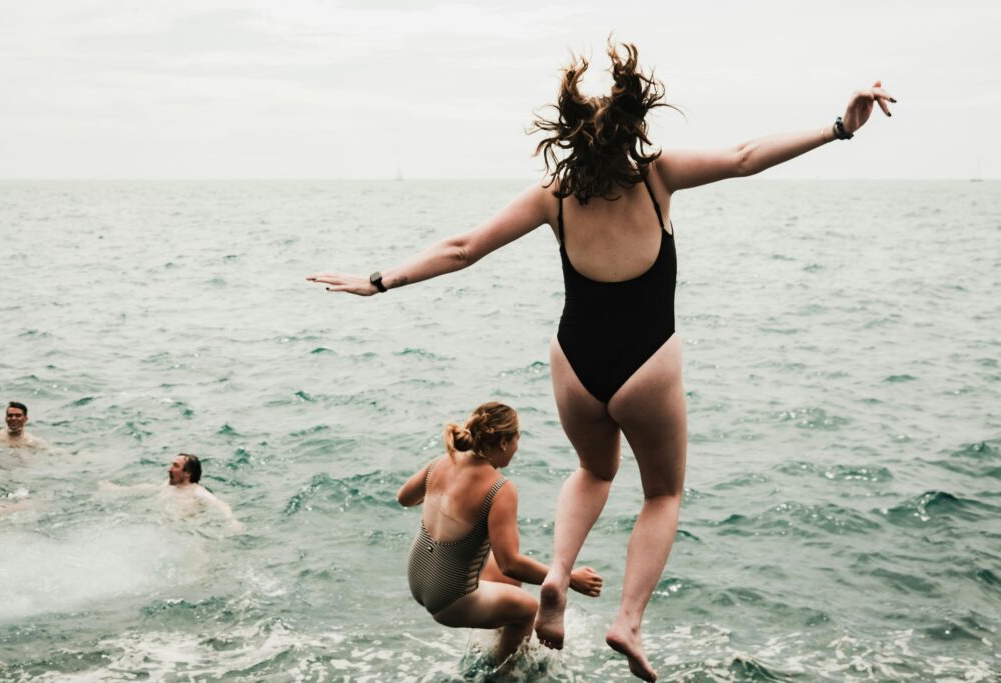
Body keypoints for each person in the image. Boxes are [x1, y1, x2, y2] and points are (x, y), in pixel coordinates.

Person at [309, 40, 894, 681]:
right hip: (649, 362)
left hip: (576, 362)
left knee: (592, 468)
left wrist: (379, 279)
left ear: (570, 138)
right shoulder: (657, 175)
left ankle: (556, 574)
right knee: (663, 492)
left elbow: (462, 248)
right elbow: (744, 157)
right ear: (632, 127)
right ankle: (628, 620)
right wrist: (838, 128)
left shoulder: (553, 196)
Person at [397, 402, 602, 665]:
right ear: (504, 442)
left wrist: (441, 501)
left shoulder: (442, 462)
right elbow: (511, 564)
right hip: (449, 600)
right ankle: (505, 674)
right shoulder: (499, 488)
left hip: (418, 579)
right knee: (530, 609)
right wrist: (570, 578)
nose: (517, 446)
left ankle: (497, 637)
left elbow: (404, 498)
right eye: (517, 438)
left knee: (503, 573)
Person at [99, 453, 243, 531]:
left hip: (185, 531)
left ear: (187, 473)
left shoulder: (198, 492)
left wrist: (232, 521)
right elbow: (149, 489)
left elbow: (221, 505)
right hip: (162, 525)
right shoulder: (169, 484)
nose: (169, 469)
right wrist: (115, 490)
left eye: (175, 466)